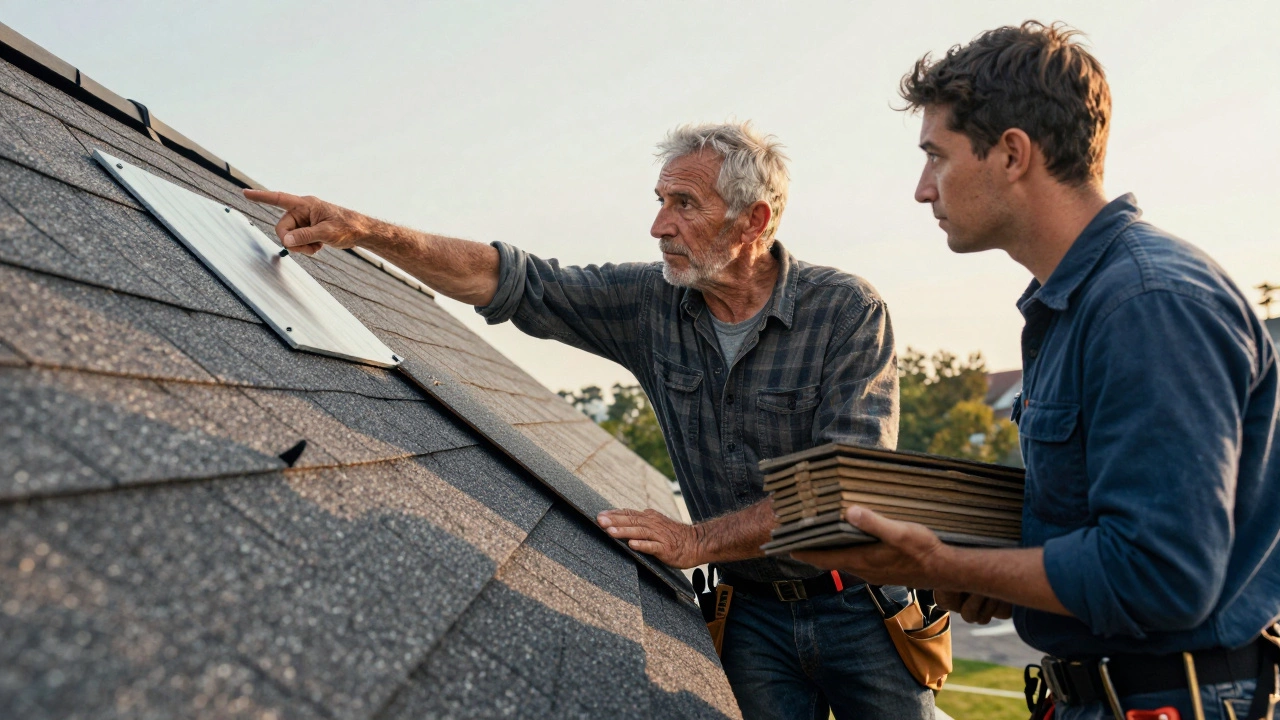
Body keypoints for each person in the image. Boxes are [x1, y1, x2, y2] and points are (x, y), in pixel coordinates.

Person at [244, 122, 933, 719]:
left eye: (684, 204)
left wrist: (697, 540)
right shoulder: (652, 302)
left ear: (754, 221)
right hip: (751, 615)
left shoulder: (845, 311)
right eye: (661, 202)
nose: (660, 225)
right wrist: (366, 231)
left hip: (859, 607)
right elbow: (512, 280)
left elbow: (847, 487)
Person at [794, 21, 1280, 720]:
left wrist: (942, 566)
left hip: (1179, 700)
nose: (922, 189)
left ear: (1013, 154)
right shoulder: (1078, 305)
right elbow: (1096, 535)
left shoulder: (1147, 304)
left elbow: (1163, 575)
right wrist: (1004, 575)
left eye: (937, 156)